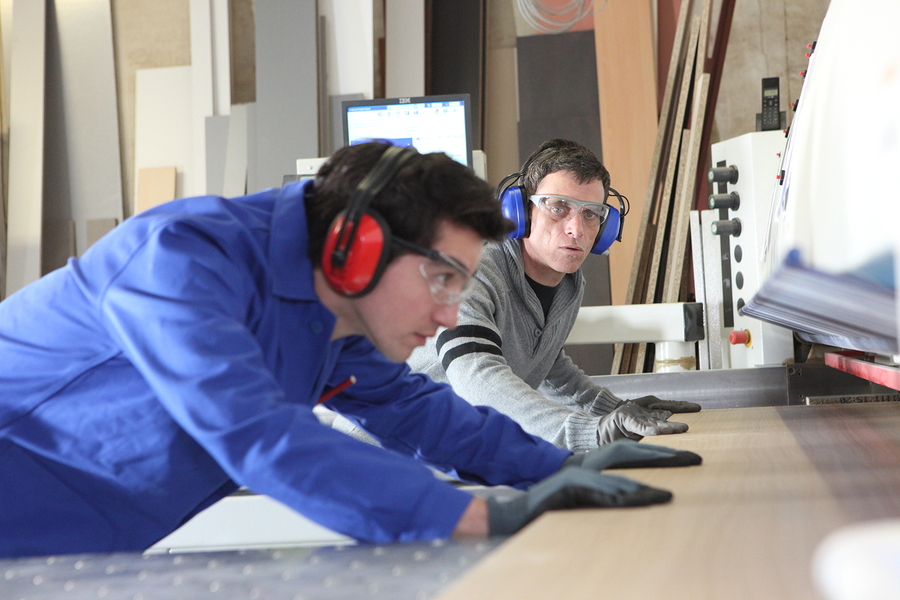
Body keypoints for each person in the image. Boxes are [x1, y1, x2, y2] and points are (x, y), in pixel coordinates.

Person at [0, 142, 700, 559]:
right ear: (358, 245)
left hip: (70, 551)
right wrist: (478, 516)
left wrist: (560, 466)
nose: (452, 310)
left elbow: (417, 411)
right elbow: (263, 435)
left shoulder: (327, 317)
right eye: (441, 278)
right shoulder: (179, 264)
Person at [405, 139, 701, 452]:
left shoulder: (569, 284)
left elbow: (547, 367)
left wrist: (613, 409)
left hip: (442, 451)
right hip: (377, 453)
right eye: (558, 208)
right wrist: (589, 432)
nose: (577, 229)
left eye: (591, 214)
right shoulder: (472, 270)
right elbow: (475, 374)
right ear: (521, 211)